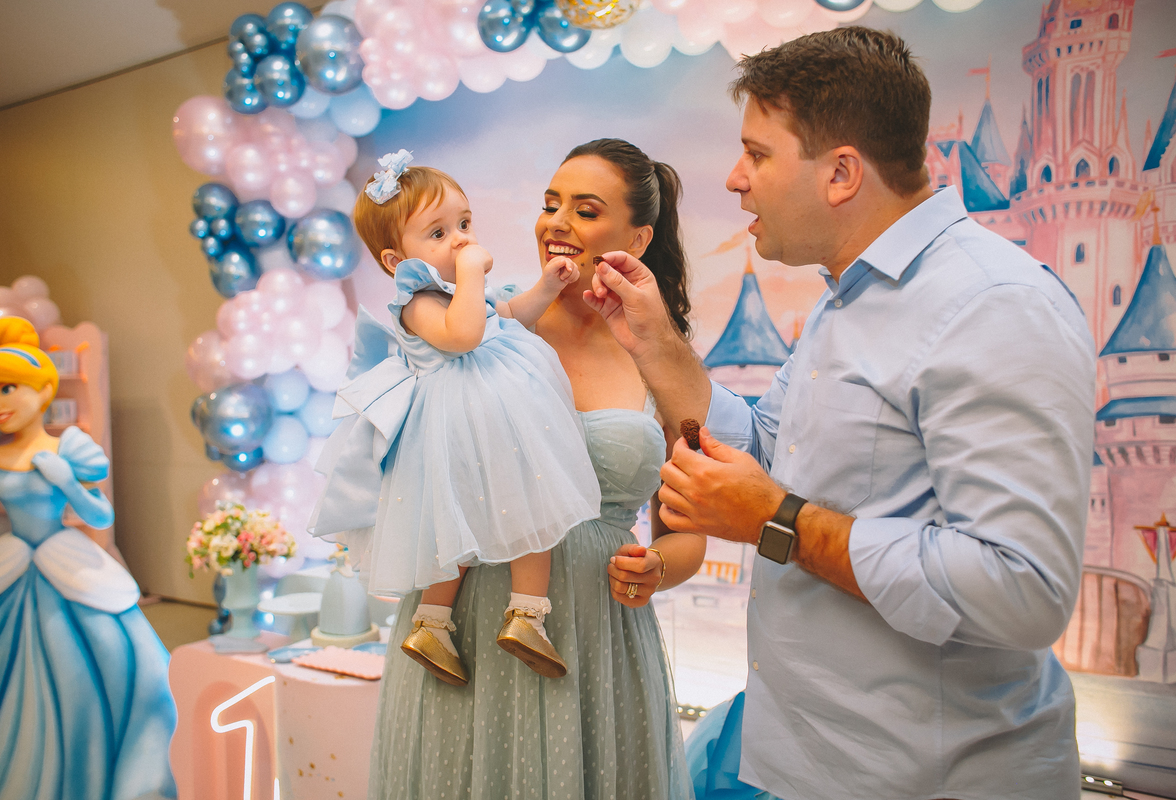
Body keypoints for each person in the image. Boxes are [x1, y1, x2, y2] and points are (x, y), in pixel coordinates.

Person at [584, 28, 1095, 800]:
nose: (734, 178)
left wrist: (774, 520)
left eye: (757, 154)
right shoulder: (846, 302)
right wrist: (655, 344)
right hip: (811, 764)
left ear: (841, 174)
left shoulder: (992, 305)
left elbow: (1021, 589)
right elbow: (760, 444)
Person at [366, 138, 704, 799]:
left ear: (638, 236)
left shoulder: (662, 358)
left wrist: (658, 568)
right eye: (551, 204)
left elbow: (690, 533)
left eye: (584, 209)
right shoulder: (490, 320)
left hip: (593, 637)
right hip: (463, 632)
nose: (557, 222)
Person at [311, 150, 602, 685]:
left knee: (533, 508)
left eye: (464, 224)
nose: (462, 241)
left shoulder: (463, 291)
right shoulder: (416, 298)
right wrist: (469, 274)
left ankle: (527, 615)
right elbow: (463, 335)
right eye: (439, 233)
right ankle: (432, 622)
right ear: (397, 260)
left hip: (497, 420)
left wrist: (548, 287)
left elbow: (507, 317)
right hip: (455, 426)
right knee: (455, 532)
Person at [0, 316, 177, 799]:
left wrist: (66, 480)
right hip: (9, 564)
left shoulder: (68, 447)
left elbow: (99, 515)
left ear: (43, 390)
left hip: (61, 558)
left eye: (7, 388)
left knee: (98, 659)